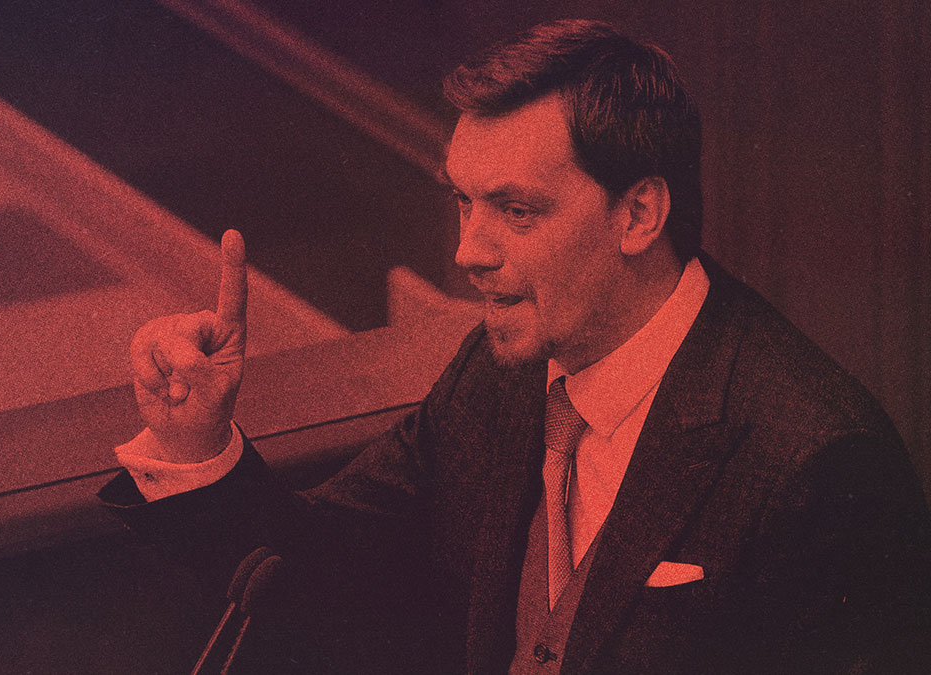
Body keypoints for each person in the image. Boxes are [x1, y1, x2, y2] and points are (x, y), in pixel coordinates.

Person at [98, 19, 931, 674]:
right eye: (464, 201)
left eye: (516, 211)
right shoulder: (495, 376)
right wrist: (196, 441)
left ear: (638, 214)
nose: (468, 250)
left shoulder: (818, 461)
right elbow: (320, 569)